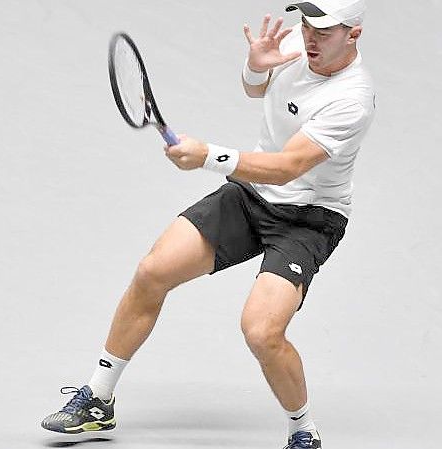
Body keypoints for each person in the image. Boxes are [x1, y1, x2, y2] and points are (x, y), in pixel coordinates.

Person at [41, 1, 374, 448]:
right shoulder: (299, 45)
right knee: (152, 272)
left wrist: (209, 158)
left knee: (262, 331)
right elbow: (256, 90)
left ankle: (303, 431)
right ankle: (98, 400)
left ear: (353, 34)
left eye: (326, 30)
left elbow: (287, 167)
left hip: (308, 217)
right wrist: (256, 68)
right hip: (251, 194)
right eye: (306, 23)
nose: (310, 36)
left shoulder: (352, 98)